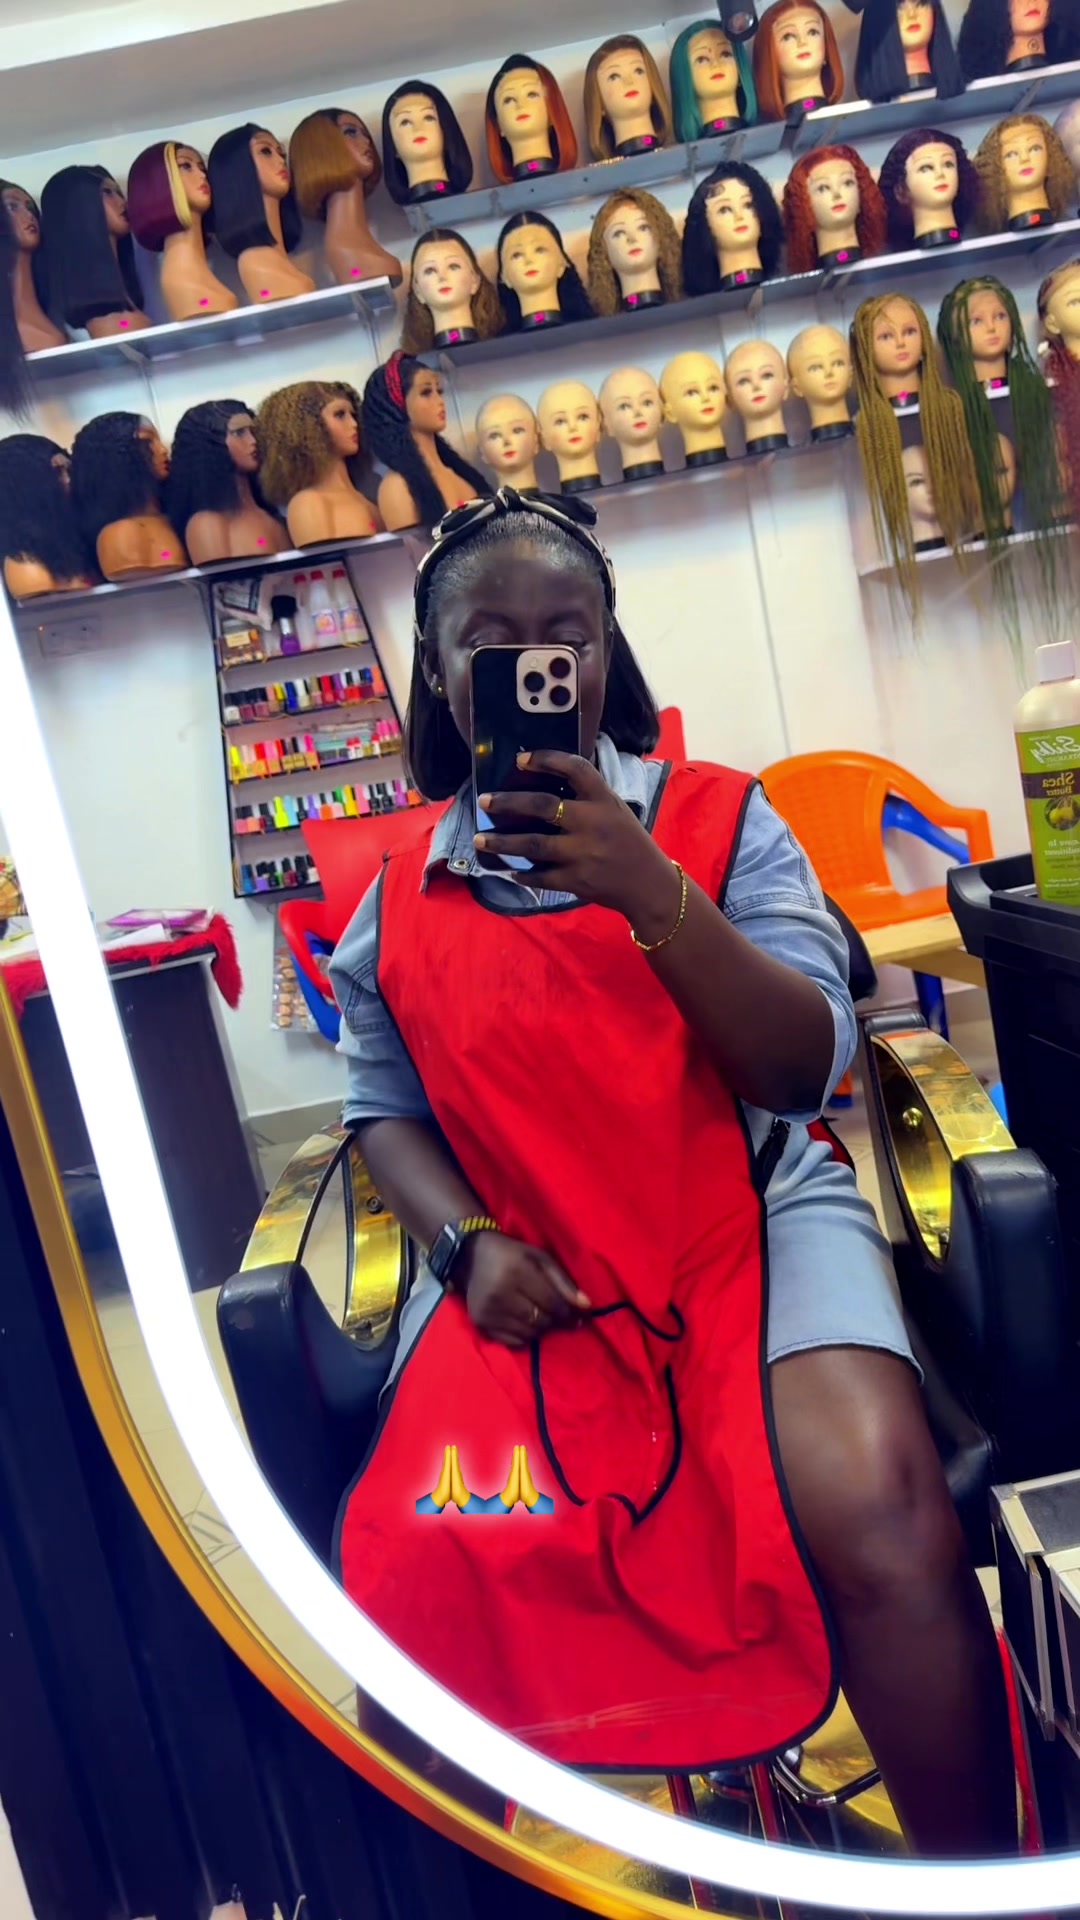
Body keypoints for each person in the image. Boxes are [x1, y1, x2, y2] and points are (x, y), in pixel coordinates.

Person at [329, 488, 1016, 1857]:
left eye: (568, 636)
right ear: (441, 676)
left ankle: (977, 1883)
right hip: (526, 1251)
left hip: (744, 1218)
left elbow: (802, 1067)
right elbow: (379, 1112)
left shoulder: (722, 821)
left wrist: (648, 889)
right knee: (422, 1560)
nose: (539, 665)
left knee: (875, 1507)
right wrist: (462, 1245)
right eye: (493, 644)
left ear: (606, 652)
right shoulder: (399, 890)